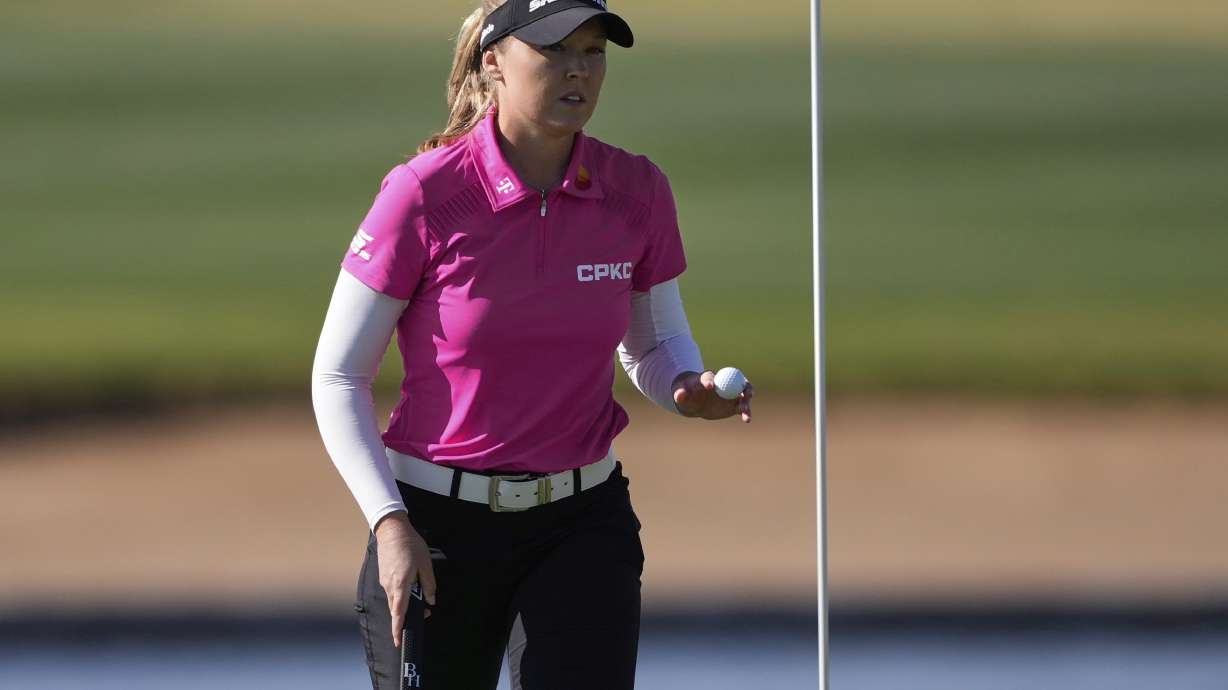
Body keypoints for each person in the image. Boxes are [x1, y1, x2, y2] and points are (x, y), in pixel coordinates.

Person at [310, 1, 753, 688]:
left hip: (581, 524)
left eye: (593, 52)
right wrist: (389, 524)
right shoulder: (423, 195)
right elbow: (338, 376)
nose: (578, 70)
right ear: (494, 62)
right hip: (436, 529)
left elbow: (655, 345)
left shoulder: (635, 191)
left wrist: (687, 389)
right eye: (554, 51)